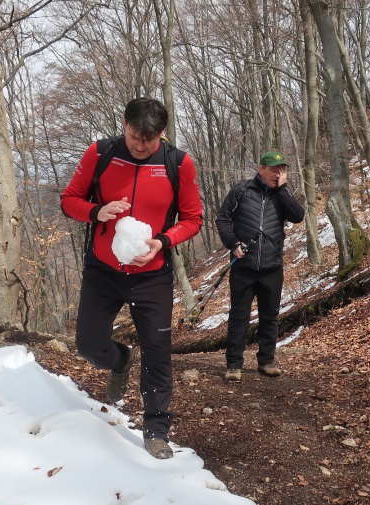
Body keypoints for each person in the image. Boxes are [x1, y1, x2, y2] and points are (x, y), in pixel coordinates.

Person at [60, 98, 203, 459]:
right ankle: (120, 359)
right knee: (88, 345)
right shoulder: (101, 153)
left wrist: (162, 242)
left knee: (157, 351)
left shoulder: (178, 163)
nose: (140, 145)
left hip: (151, 275)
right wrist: (97, 211)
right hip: (103, 270)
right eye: (135, 136)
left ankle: (156, 429)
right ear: (123, 124)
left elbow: (193, 219)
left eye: (149, 139)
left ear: (162, 133)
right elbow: (69, 200)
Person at [215, 150, 305, 381]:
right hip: (243, 266)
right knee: (239, 316)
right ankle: (234, 365)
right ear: (261, 169)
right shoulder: (241, 190)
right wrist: (233, 243)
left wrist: (284, 189)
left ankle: (267, 361)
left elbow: (298, 216)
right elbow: (223, 219)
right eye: (273, 170)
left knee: (270, 316)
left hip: (272, 266)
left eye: (281, 170)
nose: (277, 174)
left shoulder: (282, 193)